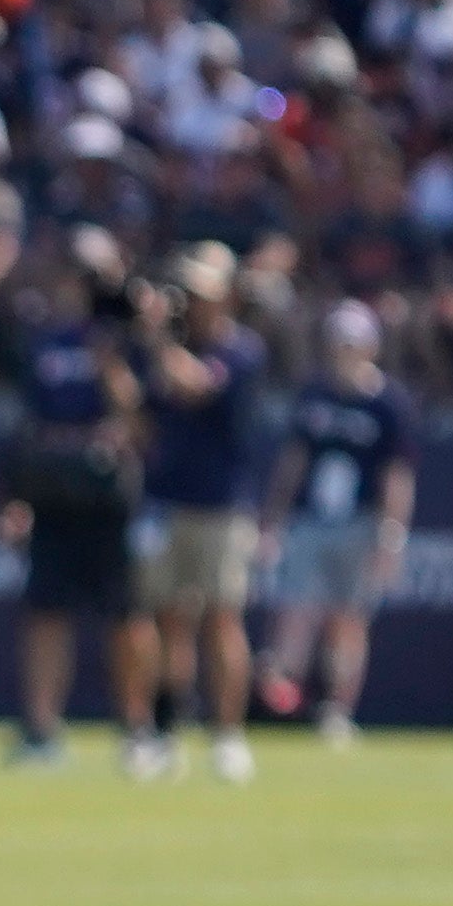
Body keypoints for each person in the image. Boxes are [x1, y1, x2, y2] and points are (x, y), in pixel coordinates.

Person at [122, 247, 265, 782]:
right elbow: (139, 419)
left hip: (221, 505)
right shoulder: (157, 350)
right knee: (164, 620)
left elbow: (196, 386)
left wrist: (156, 338)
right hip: (164, 500)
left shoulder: (241, 350)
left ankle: (228, 736)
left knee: (224, 617)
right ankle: (161, 730)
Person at [0, 254, 141, 767]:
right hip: (54, 494)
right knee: (45, 614)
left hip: (109, 498)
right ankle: (41, 730)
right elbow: (26, 424)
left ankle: (137, 729)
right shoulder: (42, 343)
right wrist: (14, 496)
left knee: (125, 617)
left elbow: (137, 417)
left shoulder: (124, 336)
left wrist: (111, 366)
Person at [255, 302, 413, 747]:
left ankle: (337, 710)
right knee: (297, 611)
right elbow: (293, 461)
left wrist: (391, 535)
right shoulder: (314, 395)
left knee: (348, 621)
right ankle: (281, 703)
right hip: (312, 520)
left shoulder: (388, 404)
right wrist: (274, 518)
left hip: (360, 523)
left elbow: (397, 476)